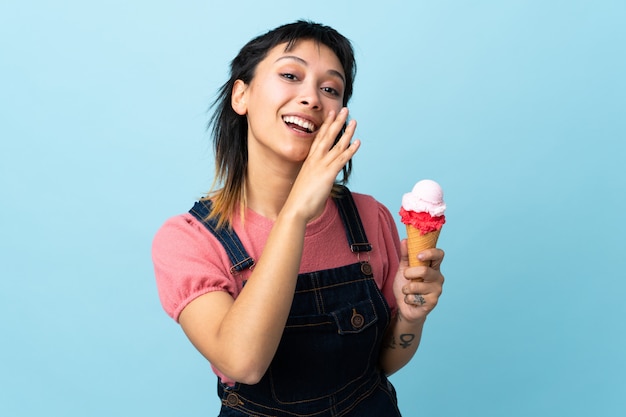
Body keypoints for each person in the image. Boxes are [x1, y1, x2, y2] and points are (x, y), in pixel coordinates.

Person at [152, 20, 445, 417]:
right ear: (242, 95)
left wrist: (411, 318)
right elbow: (244, 363)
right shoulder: (189, 240)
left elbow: (383, 365)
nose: (311, 98)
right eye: (291, 75)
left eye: (330, 89)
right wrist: (295, 213)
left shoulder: (371, 217)